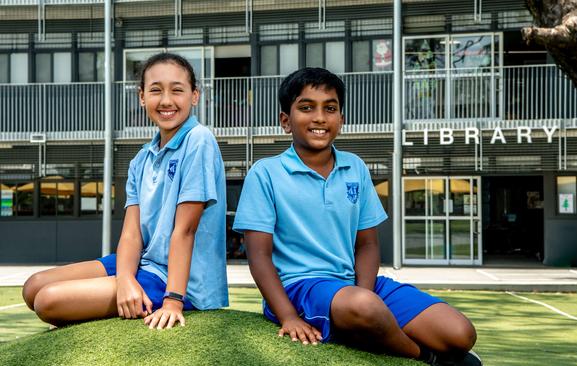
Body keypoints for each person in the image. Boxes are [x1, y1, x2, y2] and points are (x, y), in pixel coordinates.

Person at [233, 67, 481, 366]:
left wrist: (365, 295)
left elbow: (367, 245)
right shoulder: (266, 173)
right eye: (306, 107)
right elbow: (259, 256)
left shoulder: (355, 167)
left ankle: (365, 324)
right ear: (285, 120)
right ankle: (427, 358)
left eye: (330, 108)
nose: (320, 117)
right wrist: (287, 316)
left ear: (342, 119)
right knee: (365, 308)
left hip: (357, 285)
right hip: (300, 287)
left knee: (460, 333)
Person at [22, 53, 228, 329]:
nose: (166, 101)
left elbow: (185, 230)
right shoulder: (141, 159)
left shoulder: (198, 139)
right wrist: (126, 279)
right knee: (33, 286)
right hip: (145, 263)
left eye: (177, 90)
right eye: (156, 90)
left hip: (180, 280)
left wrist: (173, 301)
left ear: (195, 96)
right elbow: (131, 233)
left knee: (47, 301)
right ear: (142, 97)